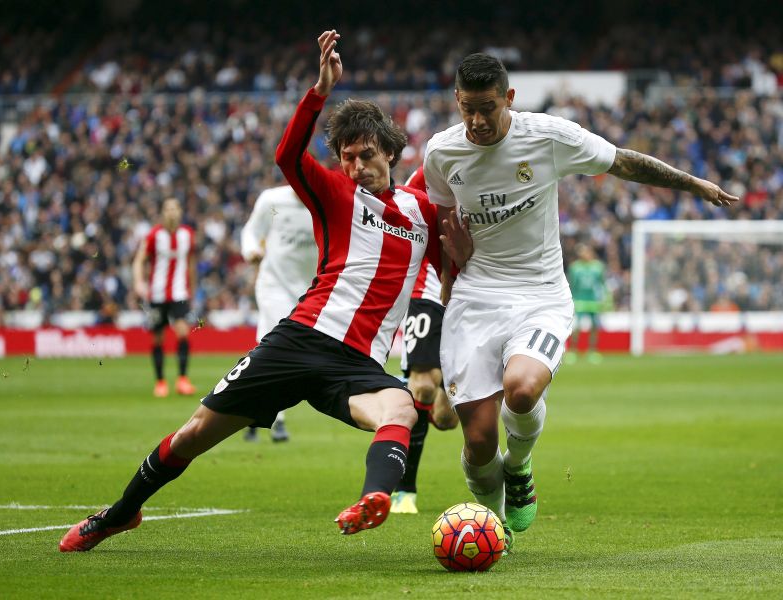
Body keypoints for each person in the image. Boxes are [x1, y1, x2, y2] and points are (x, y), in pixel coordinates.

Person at [59, 29, 442, 553]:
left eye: (365, 155)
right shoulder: (334, 192)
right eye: (346, 157)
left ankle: (374, 499)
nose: (355, 167)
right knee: (195, 434)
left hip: (357, 363)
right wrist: (319, 91)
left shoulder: (423, 212)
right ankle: (119, 515)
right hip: (300, 339)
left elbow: (452, 268)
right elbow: (288, 156)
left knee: (400, 407)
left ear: (393, 152)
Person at [423, 53, 738, 544]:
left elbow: (624, 161)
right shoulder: (441, 153)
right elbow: (443, 236)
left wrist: (691, 182)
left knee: (522, 390)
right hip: (475, 296)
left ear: (509, 98)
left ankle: (521, 468)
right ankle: (493, 526)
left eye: (487, 107)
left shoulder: (548, 137)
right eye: (468, 109)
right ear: (456, 102)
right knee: (479, 440)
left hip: (541, 294)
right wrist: (447, 295)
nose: (478, 121)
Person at [391, 165, 458, 515]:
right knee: (421, 388)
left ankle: (447, 382)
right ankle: (405, 491)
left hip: (471, 293)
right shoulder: (433, 169)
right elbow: (401, 201)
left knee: (447, 419)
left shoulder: (492, 174)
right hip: (427, 290)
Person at [240, 184, 319, 443]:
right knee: (282, 345)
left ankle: (249, 412)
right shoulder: (272, 200)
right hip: (273, 284)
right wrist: (251, 250)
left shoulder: (320, 199)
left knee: (264, 348)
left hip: (308, 288)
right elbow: (252, 230)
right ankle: (279, 420)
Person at [132, 197, 197, 398]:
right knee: (158, 337)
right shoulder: (154, 235)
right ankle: (160, 382)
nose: (172, 212)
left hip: (179, 293)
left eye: (175, 208)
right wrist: (138, 282)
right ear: (163, 212)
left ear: (180, 211)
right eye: (168, 208)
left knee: (183, 332)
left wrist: (192, 288)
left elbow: (191, 263)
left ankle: (182, 380)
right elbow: (139, 261)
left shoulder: (187, 234)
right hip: (157, 294)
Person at [566, 243, 607, 364]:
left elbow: (601, 284)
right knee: (576, 326)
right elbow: (572, 284)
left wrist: (603, 299)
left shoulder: (598, 267)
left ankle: (592, 351)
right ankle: (572, 351)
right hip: (579, 300)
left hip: (593, 300)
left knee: (594, 326)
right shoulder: (575, 267)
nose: (585, 254)